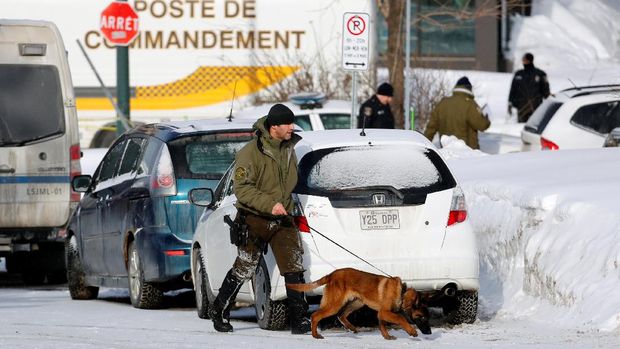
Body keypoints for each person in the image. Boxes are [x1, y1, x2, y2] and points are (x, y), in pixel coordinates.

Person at [209, 103, 311, 335]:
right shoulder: (249, 153)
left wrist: (284, 206)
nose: (292, 127)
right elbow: (242, 189)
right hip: (254, 217)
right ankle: (220, 310)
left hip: (283, 216)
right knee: (245, 267)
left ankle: (299, 320)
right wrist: (269, 204)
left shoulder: (288, 148)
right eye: (288, 123)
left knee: (294, 266)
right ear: (274, 127)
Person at [424, 76, 490, 149]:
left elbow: (431, 128)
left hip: (446, 152)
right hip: (468, 153)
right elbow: (482, 125)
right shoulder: (470, 104)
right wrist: (486, 118)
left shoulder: (443, 103)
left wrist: (424, 147)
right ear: (469, 89)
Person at [508, 52, 551, 122]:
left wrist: (549, 98)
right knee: (520, 127)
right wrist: (510, 102)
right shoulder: (519, 74)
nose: (523, 61)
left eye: (524, 59)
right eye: (523, 59)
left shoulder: (540, 74)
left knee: (534, 125)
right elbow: (513, 89)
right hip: (521, 107)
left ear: (529, 60)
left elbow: (545, 90)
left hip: (536, 106)